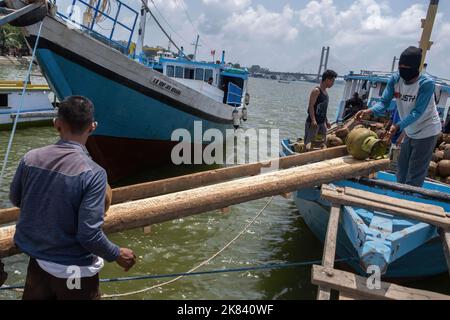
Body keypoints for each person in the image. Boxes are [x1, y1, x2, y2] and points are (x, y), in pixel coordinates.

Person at [9, 96, 136, 300]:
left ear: (57, 124)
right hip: (75, 272)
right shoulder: (94, 174)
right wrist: (117, 254)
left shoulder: (30, 158)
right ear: (92, 127)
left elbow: (16, 199)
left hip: (38, 263)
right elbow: (88, 234)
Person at [356, 46, 442, 187]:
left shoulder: (426, 83)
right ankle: (400, 195)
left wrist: (398, 126)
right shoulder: (396, 79)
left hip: (427, 129)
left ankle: (408, 201)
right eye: (400, 66)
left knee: (415, 172)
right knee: (401, 170)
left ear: (416, 67)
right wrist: (369, 111)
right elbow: (384, 102)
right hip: (410, 129)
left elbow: (417, 112)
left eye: (406, 67)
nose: (403, 70)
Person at [304, 70, 338, 145]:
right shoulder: (316, 91)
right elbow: (311, 106)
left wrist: (326, 121)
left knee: (321, 143)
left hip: (322, 123)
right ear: (327, 80)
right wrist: (313, 120)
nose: (333, 83)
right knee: (309, 144)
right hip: (313, 123)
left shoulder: (326, 93)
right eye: (332, 81)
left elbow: (323, 110)